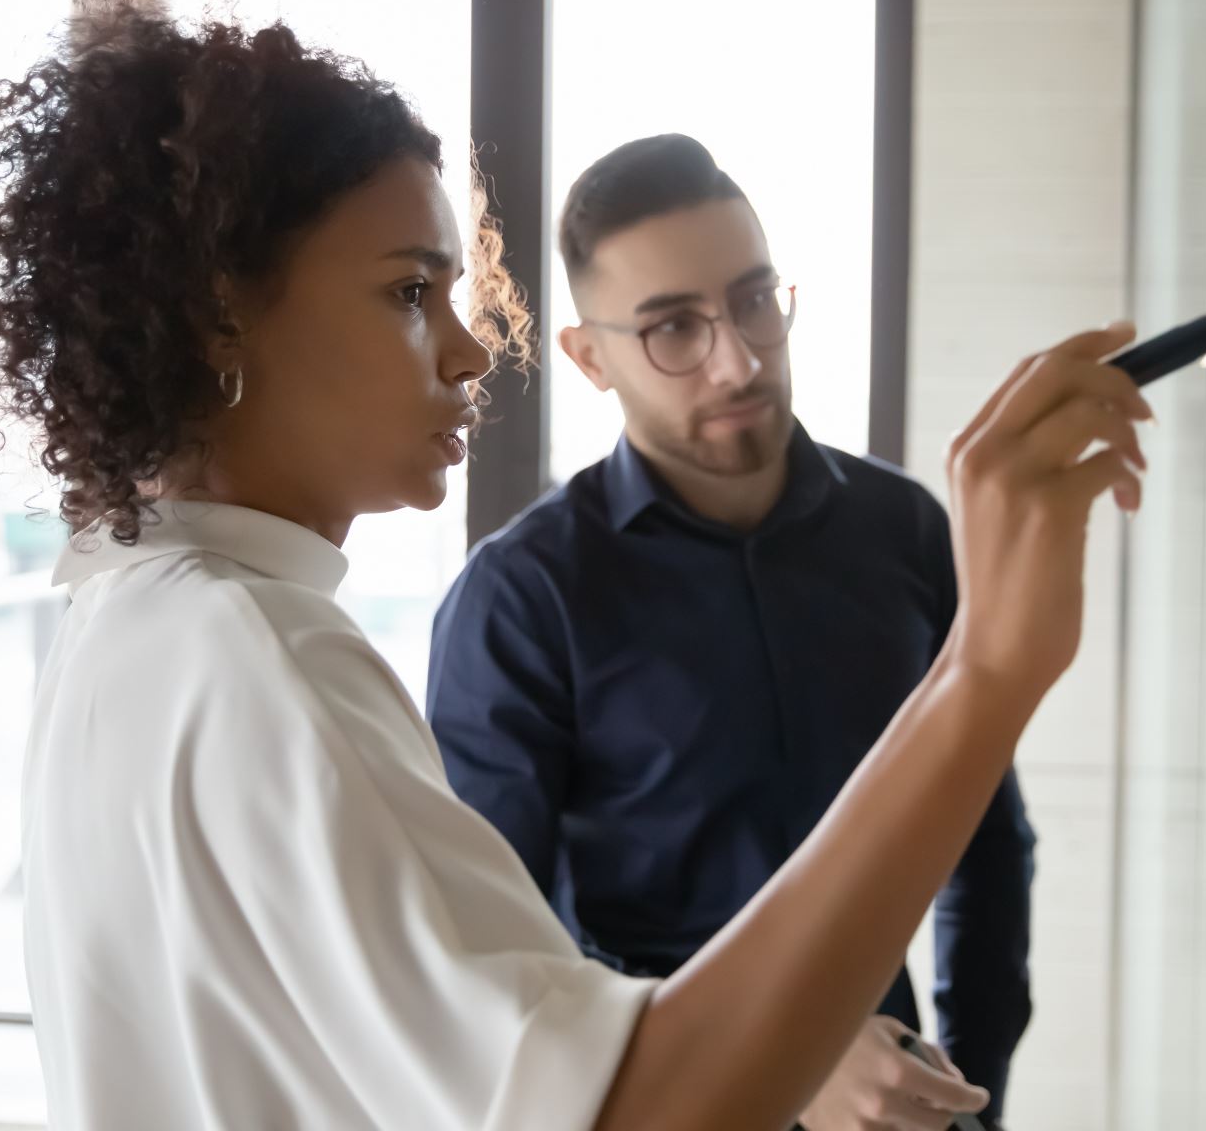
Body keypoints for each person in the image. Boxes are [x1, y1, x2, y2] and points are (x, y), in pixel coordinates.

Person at [0, 0, 1153, 1130]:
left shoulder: (133, 624)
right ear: (216, 314)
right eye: (411, 293)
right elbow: (631, 1107)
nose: (472, 355)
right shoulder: (258, 657)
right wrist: (990, 669)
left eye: (752, 302)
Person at [426, 134, 1035, 1129]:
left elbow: (987, 842)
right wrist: (784, 1051)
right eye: (674, 328)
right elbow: (491, 950)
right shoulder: (522, 596)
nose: (739, 358)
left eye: (755, 299)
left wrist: (975, 1087)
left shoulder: (906, 528)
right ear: (590, 357)